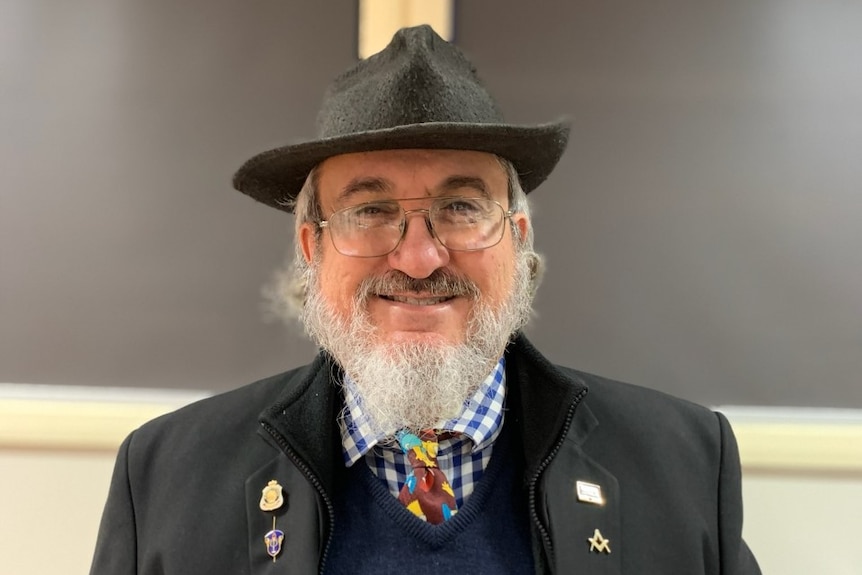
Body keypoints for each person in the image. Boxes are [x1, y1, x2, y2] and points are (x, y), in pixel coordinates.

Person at [90, 25, 760, 574]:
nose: (418, 257)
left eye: (461, 206)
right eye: (371, 210)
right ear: (311, 245)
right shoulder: (163, 480)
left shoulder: (687, 466)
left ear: (517, 239)